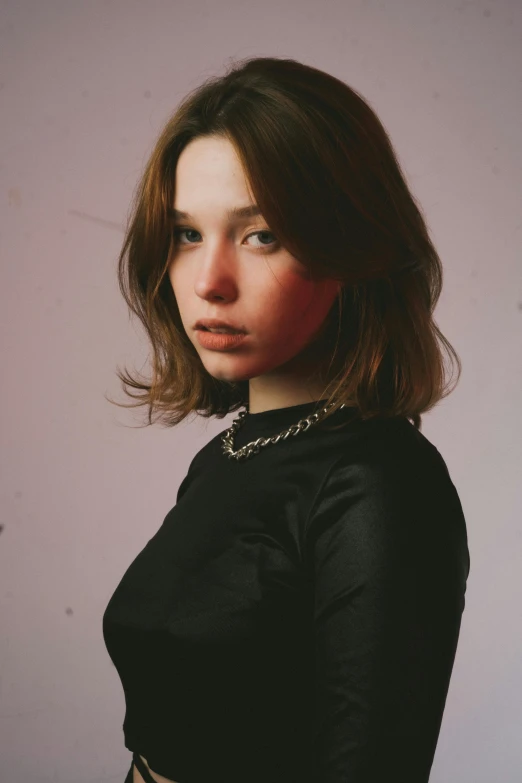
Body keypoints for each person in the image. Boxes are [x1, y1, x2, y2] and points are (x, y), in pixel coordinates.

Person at [102, 55, 471, 783]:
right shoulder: (228, 454)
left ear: (351, 245)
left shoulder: (381, 485)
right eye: (185, 234)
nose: (209, 280)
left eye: (260, 234)